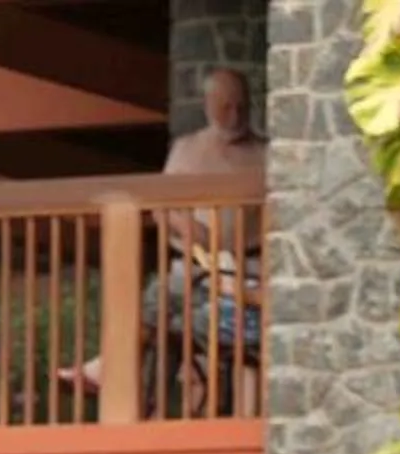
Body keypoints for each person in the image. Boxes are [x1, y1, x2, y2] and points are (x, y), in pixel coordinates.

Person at [63, 67, 267, 410]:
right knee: (162, 298)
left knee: (165, 297)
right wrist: (196, 239)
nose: (234, 115)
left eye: (241, 107)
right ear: (208, 104)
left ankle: (110, 368)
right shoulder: (187, 150)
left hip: (243, 268)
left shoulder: (265, 154)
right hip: (192, 262)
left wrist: (222, 252)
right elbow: (162, 207)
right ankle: (133, 393)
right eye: (226, 106)